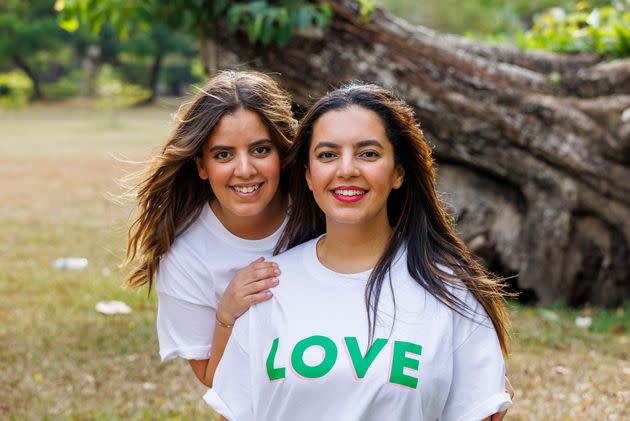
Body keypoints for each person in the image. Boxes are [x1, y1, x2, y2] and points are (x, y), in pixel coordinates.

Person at [205, 84, 513, 421]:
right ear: (308, 175)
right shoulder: (267, 286)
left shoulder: (449, 289)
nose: (347, 169)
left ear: (398, 172)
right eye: (327, 154)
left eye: (368, 153)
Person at [124, 70, 297, 386]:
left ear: (282, 153)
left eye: (260, 149)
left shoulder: (319, 211)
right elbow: (213, 378)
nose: (244, 170)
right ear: (202, 166)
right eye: (223, 154)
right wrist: (227, 312)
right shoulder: (186, 255)